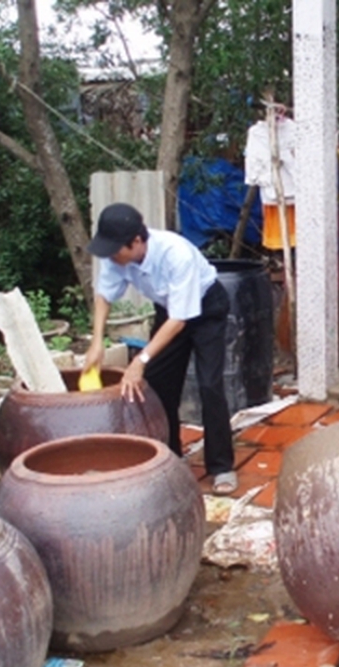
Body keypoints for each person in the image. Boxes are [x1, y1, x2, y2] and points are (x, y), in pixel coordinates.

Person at [83, 203, 238, 495]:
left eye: (117, 251)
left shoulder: (175, 254)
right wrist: (96, 342)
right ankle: (171, 456)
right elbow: (104, 294)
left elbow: (181, 320)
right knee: (157, 384)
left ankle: (221, 466)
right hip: (169, 311)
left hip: (207, 309)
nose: (112, 258)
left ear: (137, 241)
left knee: (209, 385)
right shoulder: (116, 256)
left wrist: (140, 359)